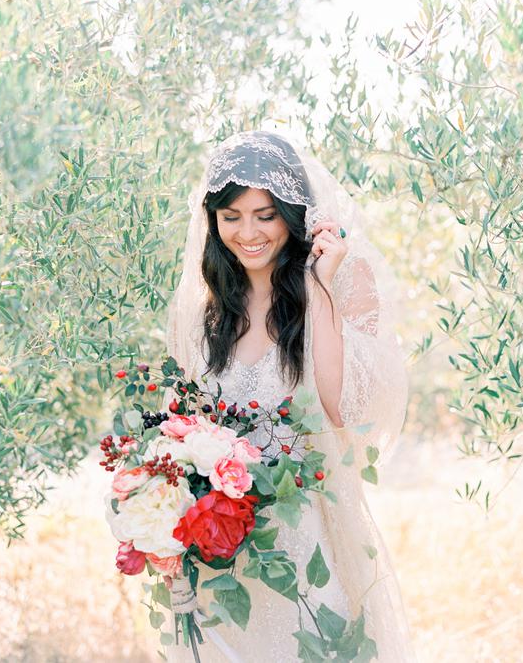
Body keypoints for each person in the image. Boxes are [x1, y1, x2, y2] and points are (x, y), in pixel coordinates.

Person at [163, 130, 416, 662]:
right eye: (231, 217)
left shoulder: (344, 281)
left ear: (293, 214)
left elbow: (341, 407)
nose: (248, 233)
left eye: (265, 215)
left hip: (305, 546)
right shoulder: (209, 310)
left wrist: (319, 285)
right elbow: (185, 432)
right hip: (221, 557)